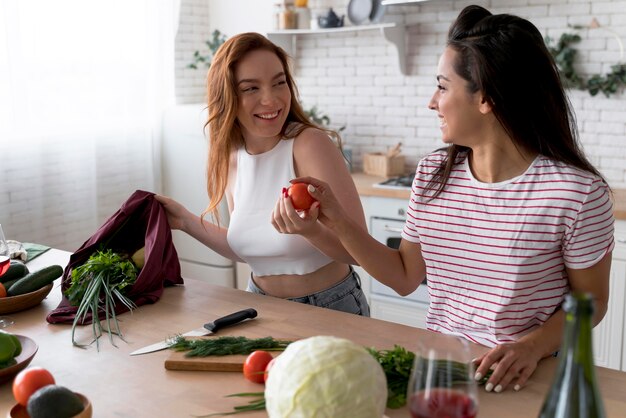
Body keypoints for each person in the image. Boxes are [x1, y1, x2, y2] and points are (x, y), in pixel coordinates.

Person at [283, 5, 615, 392]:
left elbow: (591, 303)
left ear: (486, 98)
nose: (431, 101)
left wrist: (530, 347)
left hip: (530, 376)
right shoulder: (432, 174)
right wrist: (336, 220)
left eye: (442, 86)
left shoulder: (575, 193)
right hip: (443, 371)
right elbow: (405, 276)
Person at [156, 32, 370, 316]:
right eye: (251, 88)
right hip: (258, 307)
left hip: (328, 307)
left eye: (279, 83)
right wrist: (184, 220)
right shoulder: (231, 157)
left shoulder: (309, 144)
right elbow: (251, 246)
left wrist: (311, 231)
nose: (270, 100)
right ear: (227, 96)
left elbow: (360, 251)